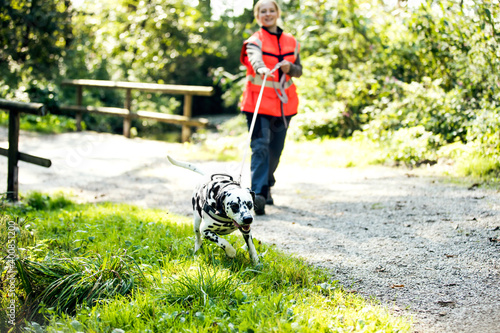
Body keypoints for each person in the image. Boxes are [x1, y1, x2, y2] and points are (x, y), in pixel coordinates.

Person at [240, 0, 302, 215]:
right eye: (262, 11)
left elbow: (299, 70)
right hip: (257, 103)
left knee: (275, 150)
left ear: (277, 13)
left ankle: (266, 186)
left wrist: (290, 67)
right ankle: (257, 194)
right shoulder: (254, 41)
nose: (267, 14)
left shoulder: (291, 42)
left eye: (271, 10)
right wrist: (262, 68)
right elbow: (254, 59)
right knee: (260, 147)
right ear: (257, 16)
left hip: (283, 106)